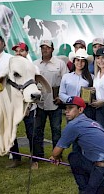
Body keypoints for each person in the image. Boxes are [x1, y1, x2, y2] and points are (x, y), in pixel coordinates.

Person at [50, 96, 104, 194]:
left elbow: (56, 152)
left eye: (71, 108)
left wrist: (55, 157)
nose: (66, 111)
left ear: (80, 109)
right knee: (74, 157)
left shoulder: (73, 125)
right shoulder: (92, 123)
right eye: (66, 108)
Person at [32, 40, 68, 169]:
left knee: (56, 131)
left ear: (52, 49)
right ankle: (36, 157)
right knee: (37, 131)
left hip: (55, 102)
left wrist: (61, 97)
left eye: (47, 47)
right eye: (42, 47)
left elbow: (66, 81)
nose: (45, 50)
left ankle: (56, 156)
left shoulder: (60, 63)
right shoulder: (35, 64)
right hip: (40, 103)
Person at [6, 42, 37, 168]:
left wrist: (28, 106)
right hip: (13, 108)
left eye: (22, 51)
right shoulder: (11, 69)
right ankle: (16, 157)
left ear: (27, 53)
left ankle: (34, 160)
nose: (19, 53)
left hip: (29, 107)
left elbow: (36, 88)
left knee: (32, 133)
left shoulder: (33, 68)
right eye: (16, 51)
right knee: (12, 132)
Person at [59, 48, 94, 119]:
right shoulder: (66, 77)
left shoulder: (91, 77)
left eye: (82, 61)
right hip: (71, 108)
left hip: (85, 109)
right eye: (78, 60)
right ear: (74, 61)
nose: (80, 63)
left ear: (85, 63)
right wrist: (72, 100)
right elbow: (61, 94)